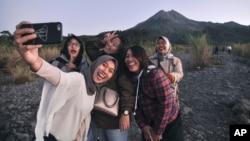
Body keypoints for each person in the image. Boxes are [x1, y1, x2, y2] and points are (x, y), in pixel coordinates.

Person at [14, 21, 118, 141]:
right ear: (95, 65)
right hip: (50, 136)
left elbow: (81, 120)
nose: (106, 71)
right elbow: (58, 76)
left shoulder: (92, 89)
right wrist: (34, 61)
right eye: (104, 65)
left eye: (111, 70)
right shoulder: (79, 79)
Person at [124, 45, 184, 141]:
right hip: (149, 123)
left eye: (134, 56)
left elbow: (167, 103)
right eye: (127, 56)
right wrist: (143, 126)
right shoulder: (131, 78)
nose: (130, 59)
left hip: (169, 123)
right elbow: (134, 105)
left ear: (142, 57)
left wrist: (158, 131)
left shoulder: (155, 74)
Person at [85, 31, 134, 141]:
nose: (110, 44)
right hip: (97, 117)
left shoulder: (121, 65)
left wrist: (126, 113)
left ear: (119, 50)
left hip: (114, 121)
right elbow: (89, 47)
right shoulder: (102, 58)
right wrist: (103, 41)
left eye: (114, 44)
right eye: (111, 41)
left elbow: (127, 90)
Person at [149, 36, 183, 106]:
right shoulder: (150, 59)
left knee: (170, 111)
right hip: (152, 92)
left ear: (168, 45)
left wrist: (171, 76)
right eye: (158, 43)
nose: (160, 45)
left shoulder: (175, 60)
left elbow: (179, 74)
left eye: (163, 43)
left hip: (170, 91)